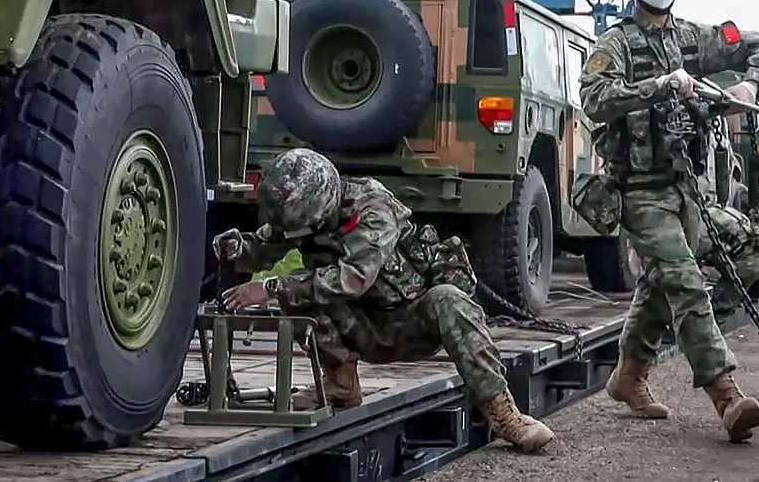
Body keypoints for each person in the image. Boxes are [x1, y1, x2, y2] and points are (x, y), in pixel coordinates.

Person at [576, 0, 759, 443]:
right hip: (640, 193)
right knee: (685, 281)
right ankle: (727, 396)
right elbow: (595, 99)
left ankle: (629, 374)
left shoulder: (692, 38)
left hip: (690, 192)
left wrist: (749, 85)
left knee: (738, 253)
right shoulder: (615, 44)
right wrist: (657, 86)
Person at [214, 148, 554, 453]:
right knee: (298, 292)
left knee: (450, 300)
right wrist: (239, 249)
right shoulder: (307, 211)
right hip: (360, 325)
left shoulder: (373, 208)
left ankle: (505, 415)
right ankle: (340, 385)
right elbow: (266, 245)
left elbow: (354, 279)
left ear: (322, 212)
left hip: (407, 321)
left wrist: (270, 287)